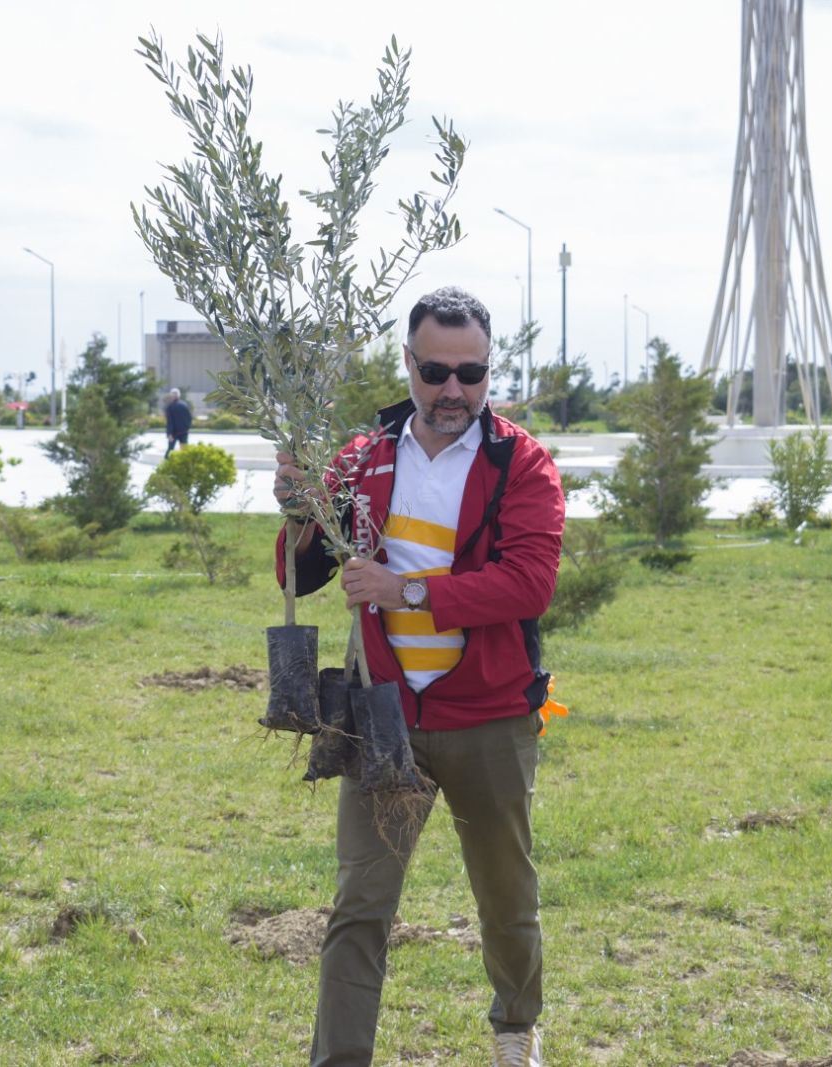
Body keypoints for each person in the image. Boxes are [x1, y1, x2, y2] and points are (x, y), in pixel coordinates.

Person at [273, 288, 565, 1067]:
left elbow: (529, 583)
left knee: (506, 898)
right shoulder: (364, 457)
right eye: (436, 371)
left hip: (490, 718)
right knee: (359, 906)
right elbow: (302, 571)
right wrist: (299, 511)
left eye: (471, 373)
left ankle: (515, 1032)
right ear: (408, 363)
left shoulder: (520, 463)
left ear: (489, 370)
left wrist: (404, 590)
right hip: (384, 717)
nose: (453, 390)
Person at [164, 386, 192, 456]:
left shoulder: (170, 407)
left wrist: (169, 433)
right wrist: (187, 428)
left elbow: (169, 422)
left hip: (174, 433)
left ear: (172, 396)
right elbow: (189, 418)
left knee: (170, 449)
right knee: (184, 450)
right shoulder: (184, 405)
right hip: (184, 432)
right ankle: (185, 462)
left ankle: (166, 461)